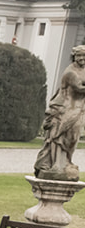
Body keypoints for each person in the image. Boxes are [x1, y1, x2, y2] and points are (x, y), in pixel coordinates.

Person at [34, 45, 85, 181]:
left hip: (77, 108)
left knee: (73, 137)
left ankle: (67, 161)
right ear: (74, 56)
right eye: (79, 55)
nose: (82, 58)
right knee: (60, 136)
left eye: (84, 56)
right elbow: (80, 88)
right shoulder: (70, 72)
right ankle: (57, 163)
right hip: (65, 107)